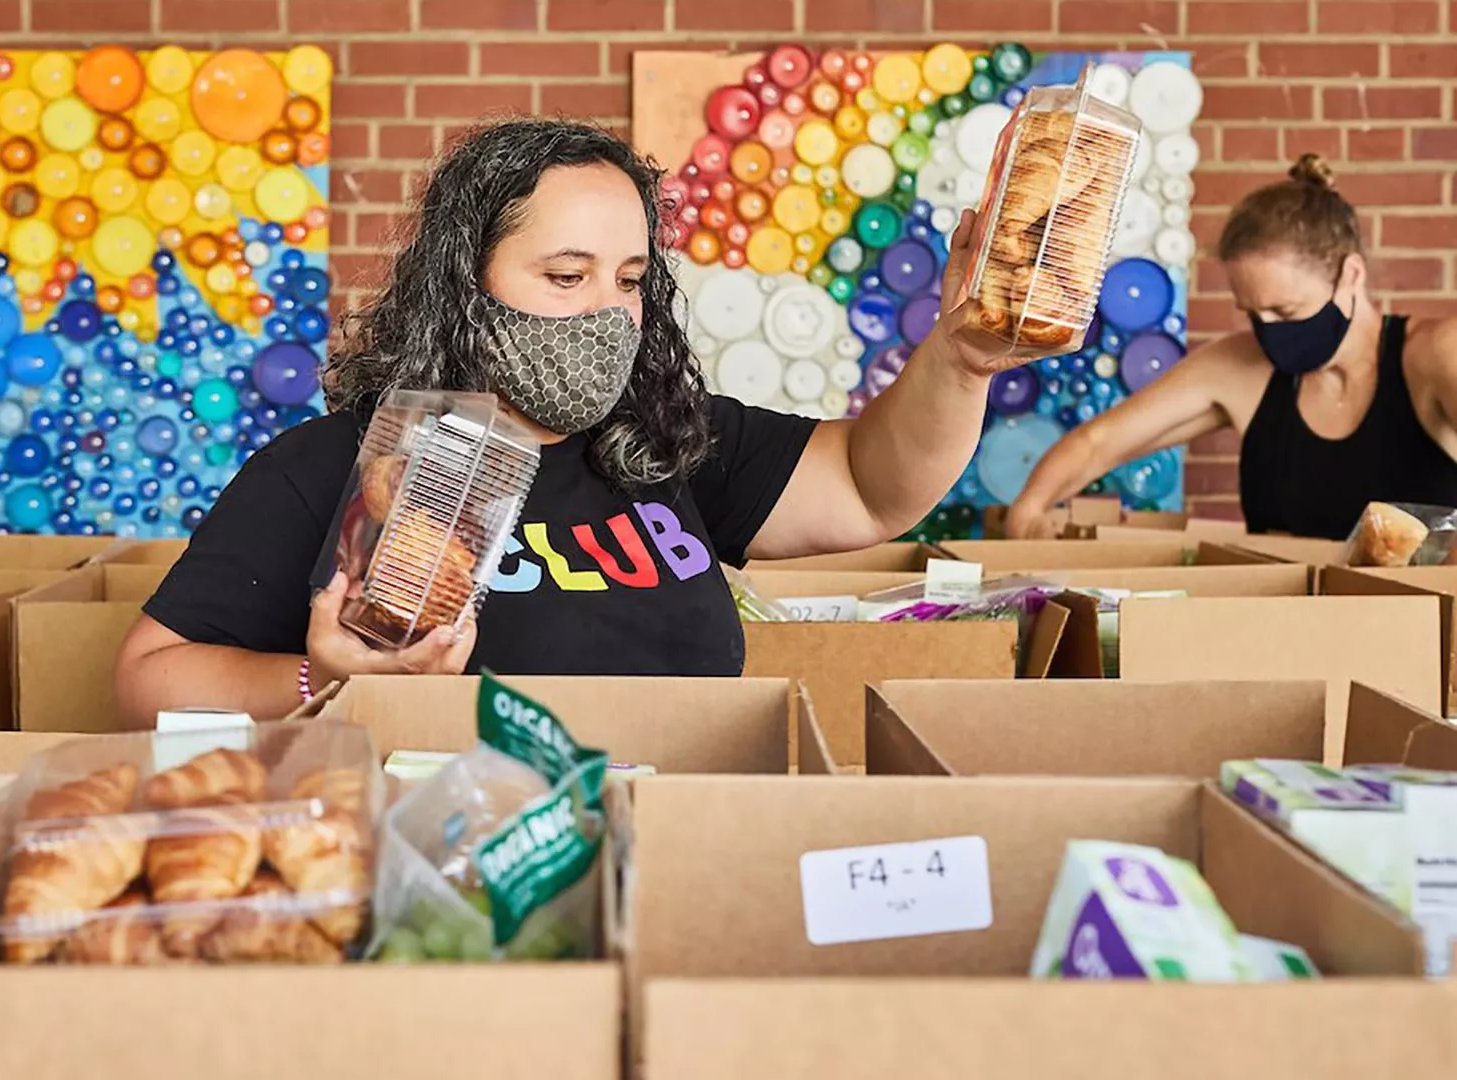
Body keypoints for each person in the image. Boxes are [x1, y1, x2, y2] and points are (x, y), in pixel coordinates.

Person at [114, 119, 1064, 725]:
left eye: (630, 280)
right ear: (465, 283)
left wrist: (961, 356)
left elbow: (869, 488)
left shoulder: (667, 443)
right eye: (565, 277)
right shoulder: (339, 465)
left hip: (685, 851)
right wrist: (326, 684)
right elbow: (149, 675)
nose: (606, 311)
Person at [1006, 154, 1457, 540]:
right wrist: (1030, 508)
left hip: (1424, 633)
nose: (1269, 332)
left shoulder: (1435, 355)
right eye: (1253, 314)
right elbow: (1099, 443)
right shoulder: (1243, 369)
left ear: (1351, 276)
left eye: (1285, 311)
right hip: (1283, 633)